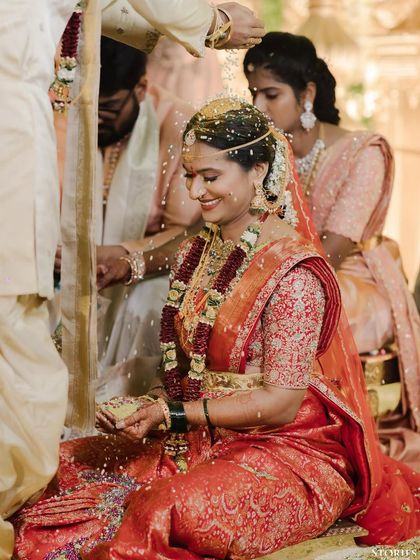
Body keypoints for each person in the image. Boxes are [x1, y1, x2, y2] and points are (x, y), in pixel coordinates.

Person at [12, 99, 419, 560]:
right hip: (200, 436)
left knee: (160, 509)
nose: (196, 191)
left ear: (258, 170)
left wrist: (174, 414)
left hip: (286, 453)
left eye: (210, 177)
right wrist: (144, 404)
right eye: (189, 175)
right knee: (56, 466)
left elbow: (282, 404)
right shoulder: (199, 251)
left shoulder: (293, 273)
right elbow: (191, 364)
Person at [0, 3, 264, 557]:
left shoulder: (175, 123)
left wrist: (129, 258)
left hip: (111, 270)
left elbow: (94, 8)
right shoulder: (51, 110)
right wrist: (210, 22)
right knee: (26, 376)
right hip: (14, 157)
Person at [244, 32, 420, 469]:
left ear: (307, 94)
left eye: (271, 94)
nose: (259, 107)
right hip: (284, 272)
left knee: (292, 309)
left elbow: (334, 249)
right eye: (252, 94)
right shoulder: (265, 156)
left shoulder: (364, 150)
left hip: (351, 277)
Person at [95, 38, 201, 399]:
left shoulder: (177, 122)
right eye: (88, 108)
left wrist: (121, 253)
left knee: (147, 304)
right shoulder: (74, 115)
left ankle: (127, 403)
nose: (93, 120)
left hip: (159, 262)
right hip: (84, 258)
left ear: (140, 88)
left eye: (106, 110)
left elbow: (184, 230)